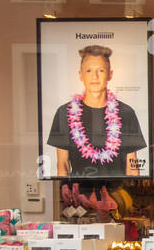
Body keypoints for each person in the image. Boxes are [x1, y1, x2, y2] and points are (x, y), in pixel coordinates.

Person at [46, 45, 147, 178]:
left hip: (118, 194)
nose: (94, 76)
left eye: (100, 70)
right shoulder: (64, 113)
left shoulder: (126, 113)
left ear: (110, 74)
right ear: (80, 75)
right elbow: (62, 165)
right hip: (79, 195)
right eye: (88, 70)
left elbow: (132, 165)